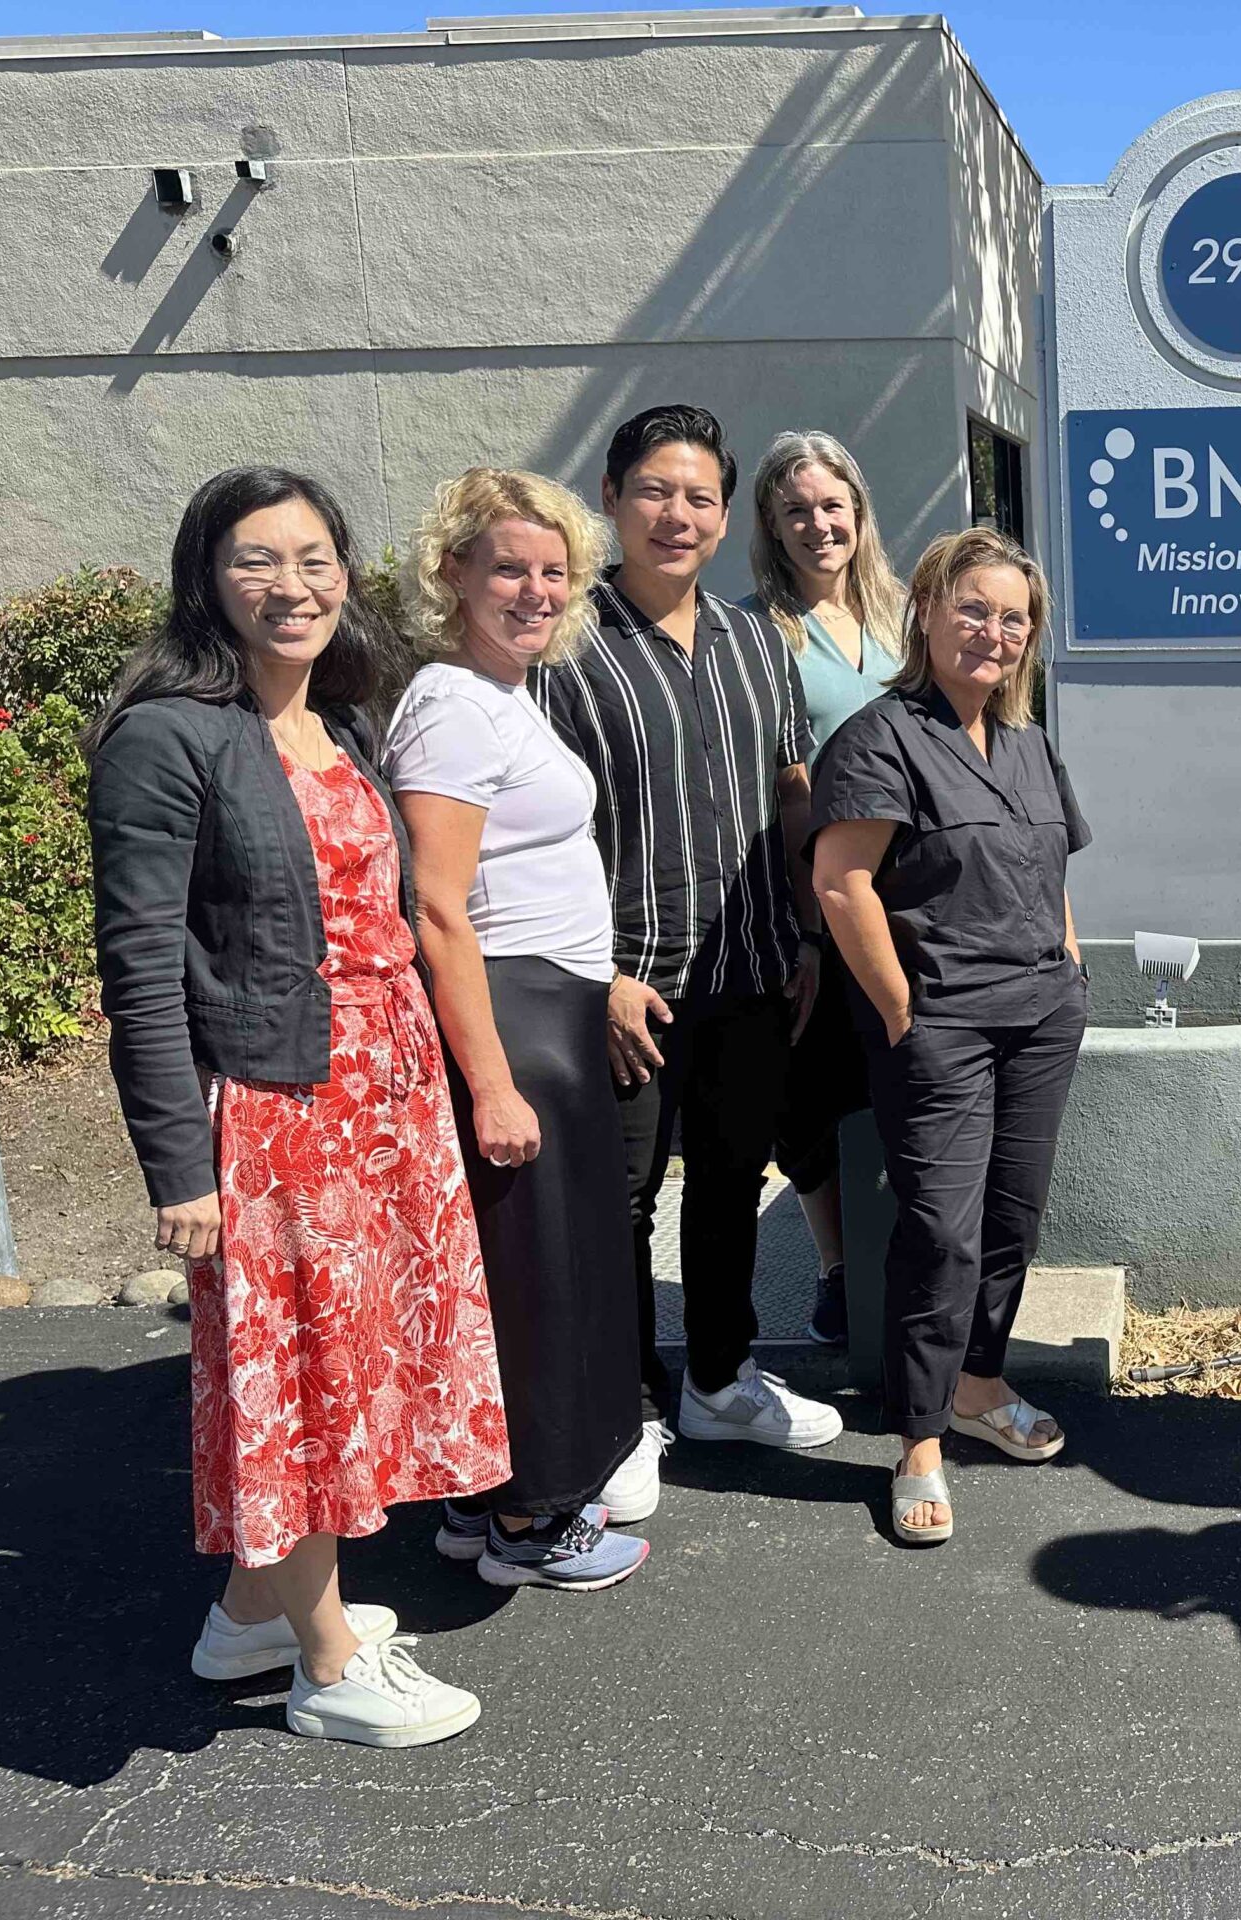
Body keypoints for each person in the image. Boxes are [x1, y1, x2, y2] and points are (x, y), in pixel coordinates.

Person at [89, 467, 504, 1747]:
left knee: (355, 1361)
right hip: (280, 1111)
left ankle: (249, 1616)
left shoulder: (343, 723)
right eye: (257, 560)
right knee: (305, 1378)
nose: (292, 585)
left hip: (385, 1097)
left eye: (314, 558)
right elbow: (140, 970)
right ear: (206, 580)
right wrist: (179, 1168)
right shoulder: (168, 736)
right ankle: (328, 1663)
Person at [533, 404, 843, 1523]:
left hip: (752, 966)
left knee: (728, 1179)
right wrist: (597, 974)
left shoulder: (758, 640)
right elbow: (538, 831)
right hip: (625, 983)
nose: (678, 515)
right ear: (611, 500)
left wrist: (806, 932)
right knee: (617, 1203)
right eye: (655, 492)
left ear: (723, 516)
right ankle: (623, 1413)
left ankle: (718, 1379)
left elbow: (791, 793)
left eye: (700, 496)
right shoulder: (564, 648)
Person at [386, 468, 650, 1592]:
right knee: (534, 1282)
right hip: (512, 1020)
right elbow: (437, 908)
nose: (535, 591)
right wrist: (491, 1084)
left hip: (550, 1009)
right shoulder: (451, 702)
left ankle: (483, 1501)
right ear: (453, 572)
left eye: (554, 571)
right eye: (508, 568)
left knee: (531, 1273)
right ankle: (531, 1525)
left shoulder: (503, 692)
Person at [809, 527, 1090, 1547]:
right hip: (943, 1026)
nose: (992, 632)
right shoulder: (882, 737)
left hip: (1040, 1018)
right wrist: (900, 1009)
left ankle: (979, 1384)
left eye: (1013, 618)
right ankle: (918, 1441)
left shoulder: (1026, 742)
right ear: (925, 611)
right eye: (973, 608)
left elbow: (1052, 869)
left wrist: (1069, 967)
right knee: (941, 1233)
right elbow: (841, 883)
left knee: (1012, 1219)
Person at [747, 429, 905, 1347]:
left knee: (898, 1075)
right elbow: (786, 788)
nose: (818, 525)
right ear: (771, 524)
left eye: (832, 506)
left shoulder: (901, 614)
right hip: (808, 899)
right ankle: (839, 1267)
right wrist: (805, 930)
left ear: (858, 511)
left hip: (907, 897)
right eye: (796, 510)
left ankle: (907, 1260)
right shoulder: (756, 632)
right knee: (809, 1096)